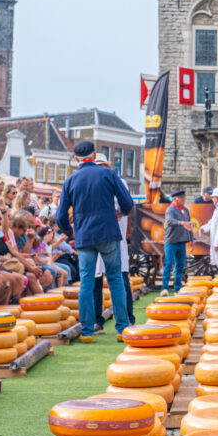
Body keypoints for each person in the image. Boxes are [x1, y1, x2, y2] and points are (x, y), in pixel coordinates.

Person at [56, 140, 133, 343]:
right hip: (108, 232)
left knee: (87, 282)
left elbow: (60, 216)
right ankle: (122, 327)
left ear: (76, 158)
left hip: (84, 236)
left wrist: (69, 231)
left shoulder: (71, 181)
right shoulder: (108, 174)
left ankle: (88, 330)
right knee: (115, 279)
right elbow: (127, 203)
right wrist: (121, 213)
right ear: (95, 153)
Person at [93, 153, 134, 330]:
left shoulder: (118, 182)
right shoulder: (94, 183)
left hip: (114, 236)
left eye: (103, 166)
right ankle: (96, 319)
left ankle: (127, 318)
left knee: (120, 279)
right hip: (97, 236)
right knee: (96, 280)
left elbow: (125, 206)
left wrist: (118, 211)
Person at [161, 190, 193, 296]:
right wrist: (181, 223)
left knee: (180, 265)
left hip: (182, 242)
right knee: (169, 264)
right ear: (175, 199)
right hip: (171, 242)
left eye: (184, 198)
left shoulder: (186, 210)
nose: (184, 200)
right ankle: (164, 288)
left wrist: (191, 240)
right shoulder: (170, 209)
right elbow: (169, 221)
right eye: (182, 198)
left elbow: (189, 226)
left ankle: (177, 288)